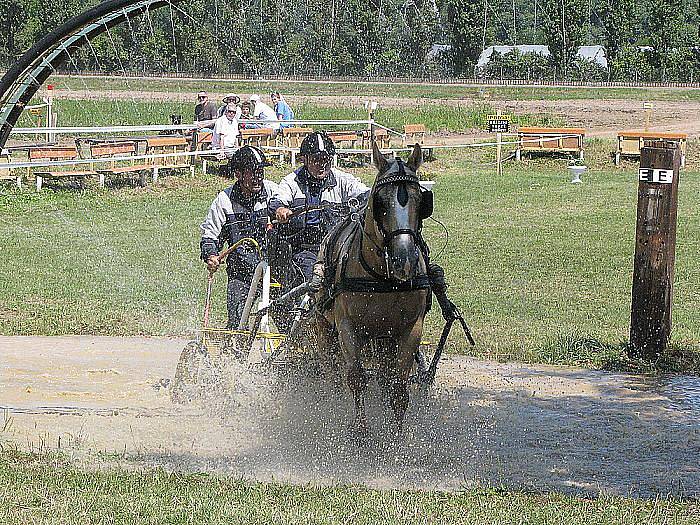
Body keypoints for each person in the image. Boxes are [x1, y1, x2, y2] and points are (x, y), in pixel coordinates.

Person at [268, 131, 369, 287]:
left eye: (326, 160)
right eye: (316, 160)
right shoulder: (292, 181)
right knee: (314, 282)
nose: (322, 164)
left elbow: (366, 194)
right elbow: (277, 199)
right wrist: (280, 209)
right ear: (305, 160)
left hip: (338, 248)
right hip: (305, 249)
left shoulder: (343, 180)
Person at [200, 146, 279, 329]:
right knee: (237, 326)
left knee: (289, 322)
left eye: (261, 172)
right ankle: (234, 354)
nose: (258, 177)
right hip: (241, 274)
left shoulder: (274, 193)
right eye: (253, 172)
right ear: (238, 174)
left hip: (274, 272)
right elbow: (210, 235)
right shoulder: (224, 200)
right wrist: (211, 255)